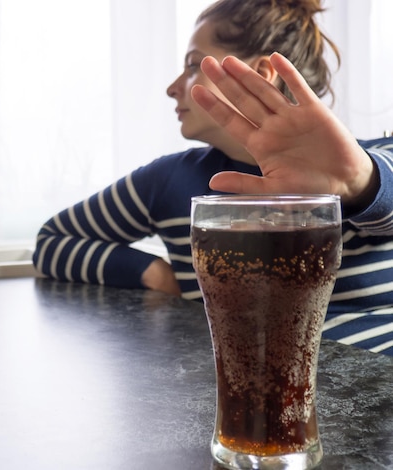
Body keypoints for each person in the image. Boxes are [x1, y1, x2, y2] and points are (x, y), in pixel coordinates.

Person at [32, 0, 393, 355]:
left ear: (262, 74)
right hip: (243, 397)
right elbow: (52, 241)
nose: (173, 87)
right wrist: (152, 274)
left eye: (192, 66)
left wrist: (359, 183)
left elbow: (383, 193)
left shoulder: (378, 160)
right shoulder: (167, 182)